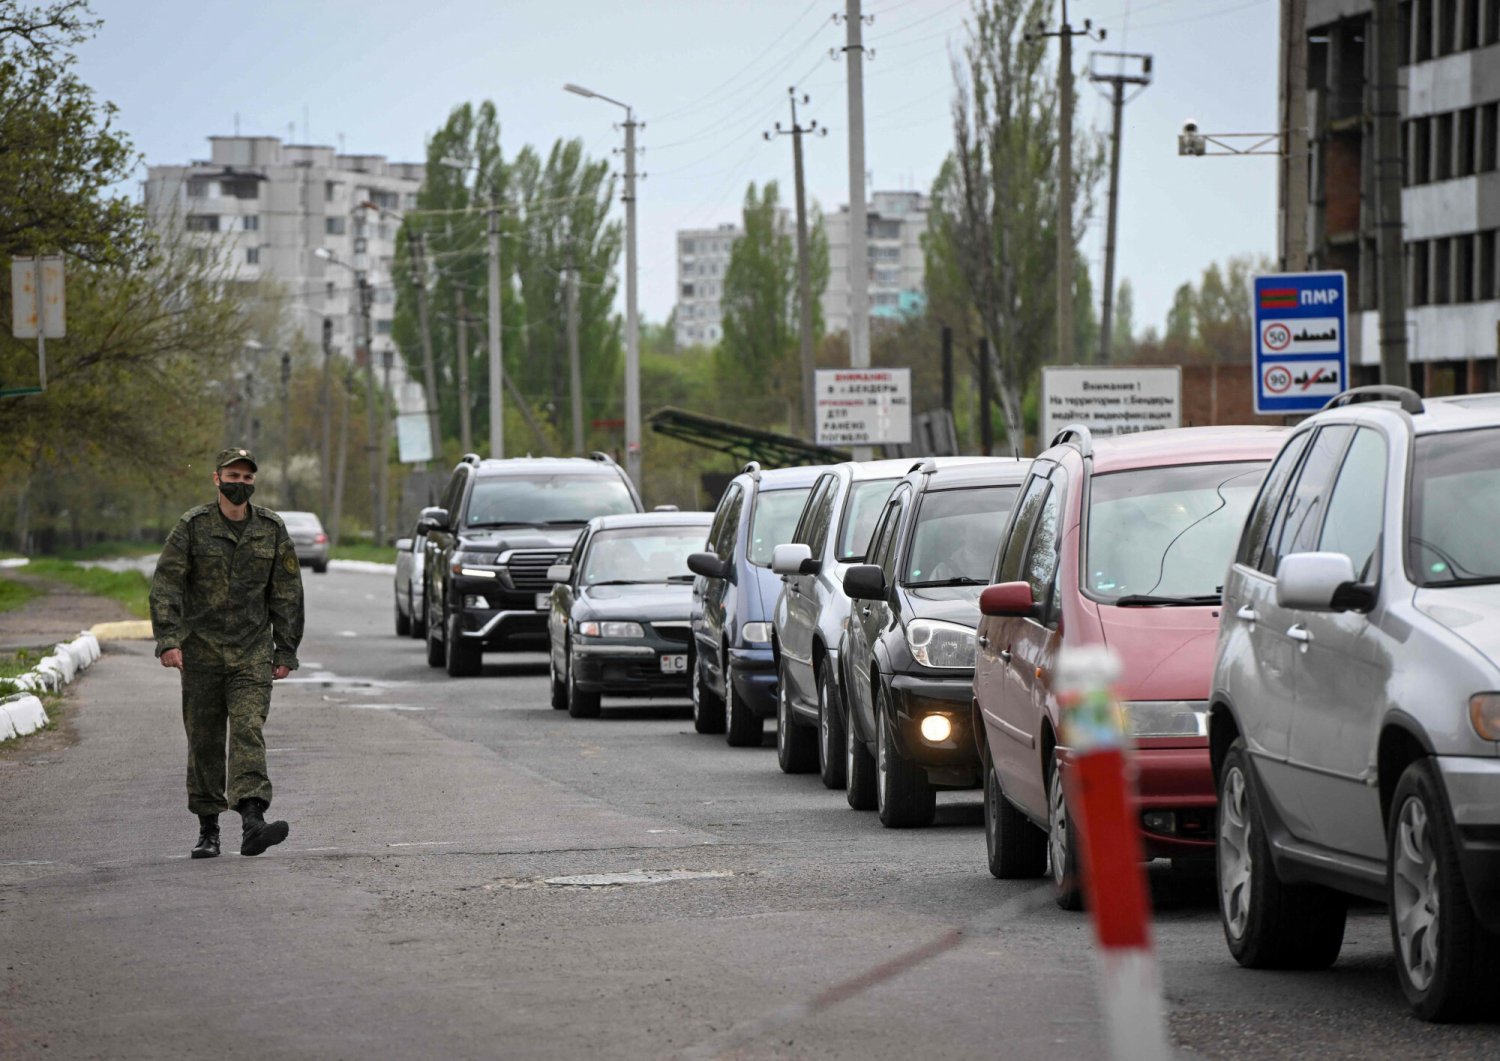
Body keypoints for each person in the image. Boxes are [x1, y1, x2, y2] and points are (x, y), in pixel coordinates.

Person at [149, 447, 304, 859]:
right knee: (204, 740)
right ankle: (208, 828)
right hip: (200, 652)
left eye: (248, 478)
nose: (241, 484)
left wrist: (285, 648)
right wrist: (168, 639)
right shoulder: (193, 526)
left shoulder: (271, 529)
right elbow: (166, 585)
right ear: (217, 479)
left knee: (248, 728)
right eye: (233, 476)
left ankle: (253, 821)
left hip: (251, 653)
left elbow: (287, 593)